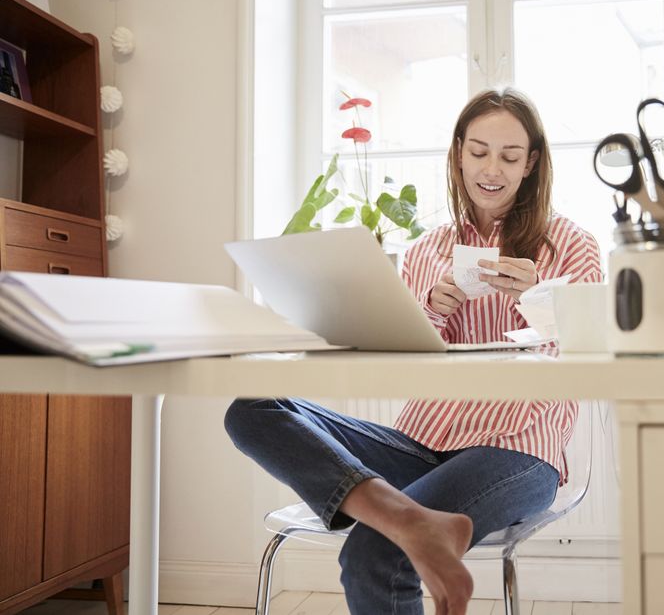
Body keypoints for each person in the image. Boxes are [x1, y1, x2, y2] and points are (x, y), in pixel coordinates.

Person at [224, 87, 602, 615]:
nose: (491, 168)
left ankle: (399, 525)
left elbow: (587, 357)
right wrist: (430, 311)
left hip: (518, 449)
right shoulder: (425, 252)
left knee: (375, 550)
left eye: (510, 156)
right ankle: (406, 518)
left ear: (531, 163)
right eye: (478, 151)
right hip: (421, 444)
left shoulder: (572, 246)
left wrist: (540, 300)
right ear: (457, 153)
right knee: (252, 408)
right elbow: (403, 364)